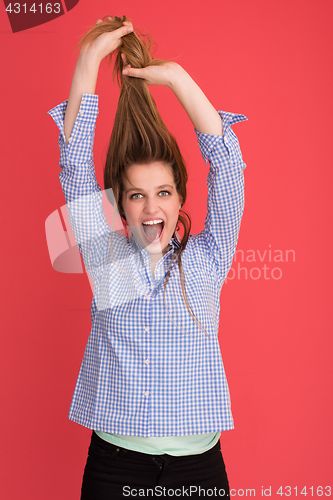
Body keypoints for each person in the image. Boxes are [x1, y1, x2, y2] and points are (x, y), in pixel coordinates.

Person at [48, 15, 247, 500]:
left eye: (163, 192)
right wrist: (88, 61)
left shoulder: (209, 256)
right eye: (136, 195)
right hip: (117, 468)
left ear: (181, 198)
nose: (152, 207)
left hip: (198, 469)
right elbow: (74, 166)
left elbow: (227, 166)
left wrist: (177, 79)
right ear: (118, 204)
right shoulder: (108, 259)